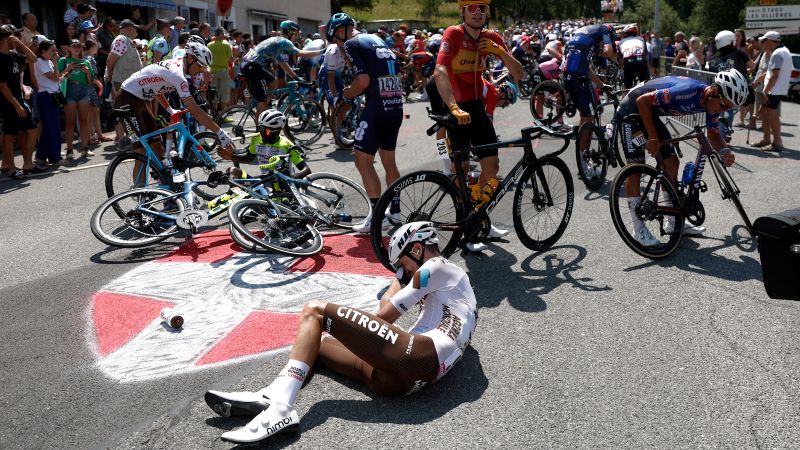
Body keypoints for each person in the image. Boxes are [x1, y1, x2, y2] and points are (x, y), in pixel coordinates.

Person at [204, 221, 478, 444]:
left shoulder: (436, 266)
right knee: (318, 344)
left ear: (417, 249)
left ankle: (281, 408)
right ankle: (272, 395)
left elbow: (385, 317)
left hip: (415, 356)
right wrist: (400, 277)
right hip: (403, 383)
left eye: (402, 263)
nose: (402, 272)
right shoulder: (460, 293)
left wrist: (398, 281)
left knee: (315, 312)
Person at [614, 69, 747, 245]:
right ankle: (638, 229)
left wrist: (725, 151)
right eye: (724, 106)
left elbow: (713, 135)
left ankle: (673, 221)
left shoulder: (712, 102)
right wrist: (653, 138)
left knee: (671, 163)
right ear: (713, 92)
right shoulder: (688, 91)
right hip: (631, 110)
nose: (723, 111)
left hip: (649, 112)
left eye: (729, 108)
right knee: (635, 171)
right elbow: (642, 100)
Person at [430, 0, 522, 251]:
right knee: (460, 170)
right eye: (472, 8)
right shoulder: (454, 33)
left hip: (477, 107)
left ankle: (478, 216)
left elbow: (519, 73)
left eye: (482, 8)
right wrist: (452, 106)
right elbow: (440, 70)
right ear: (463, 11)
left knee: (491, 166)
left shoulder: (491, 37)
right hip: (454, 105)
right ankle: (465, 228)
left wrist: (499, 52)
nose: (478, 13)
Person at [335, 15, 405, 233]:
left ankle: (377, 216)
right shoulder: (375, 38)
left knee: (362, 161)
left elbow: (362, 81)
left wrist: (347, 94)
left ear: (340, 32)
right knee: (389, 161)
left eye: (336, 42)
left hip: (377, 107)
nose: (339, 47)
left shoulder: (351, 43)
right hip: (395, 105)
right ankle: (395, 211)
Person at [114, 42, 234, 164]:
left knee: (158, 148)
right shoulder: (178, 75)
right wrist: (219, 132)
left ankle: (164, 179)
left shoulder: (179, 66)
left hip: (140, 101)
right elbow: (194, 110)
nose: (201, 71)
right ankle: (139, 184)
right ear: (190, 58)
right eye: (200, 66)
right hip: (126, 100)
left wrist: (170, 110)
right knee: (142, 152)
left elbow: (157, 88)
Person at [221, 109, 311, 203]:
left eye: (266, 131)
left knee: (269, 193)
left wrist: (293, 177)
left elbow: (306, 170)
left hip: (281, 185)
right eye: (261, 128)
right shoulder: (256, 139)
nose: (262, 133)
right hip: (263, 181)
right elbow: (249, 158)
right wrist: (230, 156)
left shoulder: (287, 145)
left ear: (276, 131)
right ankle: (234, 197)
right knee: (233, 171)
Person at [240, 22, 321, 123]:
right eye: (295, 34)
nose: (296, 37)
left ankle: (265, 104)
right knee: (262, 103)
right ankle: (259, 132)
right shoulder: (284, 42)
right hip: (252, 66)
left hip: (249, 64)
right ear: (290, 32)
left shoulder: (276, 42)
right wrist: (321, 52)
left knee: (274, 82)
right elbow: (301, 54)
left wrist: (296, 77)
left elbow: (283, 64)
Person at [0, 27, 39, 179]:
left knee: (31, 129)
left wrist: (21, 46)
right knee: (10, 137)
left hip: (19, 100)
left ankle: (27, 164)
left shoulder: (13, 56)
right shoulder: (1, 59)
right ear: (6, 40)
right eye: (13, 37)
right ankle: (10, 169)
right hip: (8, 102)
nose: (17, 38)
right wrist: (16, 105)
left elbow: (34, 59)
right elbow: (2, 86)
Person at [706, 30, 754, 140]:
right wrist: (743, 75)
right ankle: (724, 133)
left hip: (718, 86)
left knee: (719, 109)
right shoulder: (739, 52)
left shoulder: (714, 57)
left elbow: (710, 72)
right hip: (734, 88)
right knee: (729, 109)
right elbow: (752, 66)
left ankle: (719, 133)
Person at [752, 31, 791, 153]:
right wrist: (760, 78)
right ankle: (767, 139)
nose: (762, 43)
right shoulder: (784, 51)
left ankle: (776, 143)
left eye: (764, 41)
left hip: (773, 90)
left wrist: (766, 91)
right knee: (764, 112)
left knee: (771, 115)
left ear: (770, 41)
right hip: (776, 89)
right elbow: (772, 71)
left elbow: (775, 75)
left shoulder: (777, 54)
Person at [105, 19, 142, 147]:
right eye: (135, 28)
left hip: (128, 84)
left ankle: (130, 140)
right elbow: (111, 60)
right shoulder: (121, 40)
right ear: (129, 28)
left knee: (127, 113)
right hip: (123, 83)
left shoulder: (127, 41)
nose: (137, 30)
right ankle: (125, 141)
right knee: (124, 113)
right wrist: (110, 75)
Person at [58, 39, 94, 159]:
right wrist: (68, 69)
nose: (77, 48)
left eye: (79, 46)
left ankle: (85, 148)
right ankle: (69, 150)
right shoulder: (63, 60)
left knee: (84, 121)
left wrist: (88, 73)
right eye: (74, 46)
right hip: (69, 90)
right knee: (70, 122)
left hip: (83, 90)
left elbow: (90, 82)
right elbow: (59, 78)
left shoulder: (86, 62)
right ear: (69, 48)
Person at [33, 39, 62, 167]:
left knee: (50, 128)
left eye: (55, 50)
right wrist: (56, 63)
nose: (54, 53)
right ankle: (55, 157)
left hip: (52, 95)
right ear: (43, 51)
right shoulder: (39, 62)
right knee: (53, 128)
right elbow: (54, 77)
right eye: (52, 50)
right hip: (46, 96)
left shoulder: (48, 61)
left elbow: (58, 79)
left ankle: (41, 156)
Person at [82, 40, 109, 146]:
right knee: (92, 112)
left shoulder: (86, 57)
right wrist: (99, 85)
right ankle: (93, 136)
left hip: (90, 88)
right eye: (96, 45)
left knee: (95, 112)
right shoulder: (89, 58)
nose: (98, 47)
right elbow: (92, 75)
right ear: (92, 46)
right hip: (91, 87)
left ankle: (98, 135)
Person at [616, 24, 650, 89]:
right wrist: (649, 71)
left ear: (625, 34)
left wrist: (620, 69)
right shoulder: (642, 39)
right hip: (641, 63)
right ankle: (645, 91)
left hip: (629, 64)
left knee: (627, 87)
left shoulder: (620, 42)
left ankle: (627, 93)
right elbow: (646, 57)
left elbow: (621, 60)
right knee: (645, 84)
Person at [208, 27, 233, 111]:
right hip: (223, 71)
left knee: (215, 94)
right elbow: (230, 59)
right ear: (221, 34)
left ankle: (214, 114)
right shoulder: (226, 44)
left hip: (212, 71)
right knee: (225, 93)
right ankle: (224, 114)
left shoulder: (209, 44)